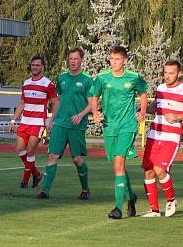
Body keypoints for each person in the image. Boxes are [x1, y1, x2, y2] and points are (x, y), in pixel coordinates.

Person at [88, 45, 148, 220]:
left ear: (124, 61)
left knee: (118, 165)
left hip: (127, 126)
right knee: (118, 166)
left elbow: (143, 93)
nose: (114, 62)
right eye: (112, 59)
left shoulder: (134, 77)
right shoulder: (102, 78)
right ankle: (131, 198)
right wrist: (95, 111)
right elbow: (94, 96)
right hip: (109, 126)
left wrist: (142, 111)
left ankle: (117, 208)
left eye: (118, 59)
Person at [36, 48, 93, 200]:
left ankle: (85, 189)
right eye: (70, 58)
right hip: (60, 123)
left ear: (81, 60)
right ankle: (45, 191)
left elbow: (91, 104)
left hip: (76, 126)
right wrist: (52, 120)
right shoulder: (62, 78)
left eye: (75, 58)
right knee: (52, 156)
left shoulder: (87, 80)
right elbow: (58, 100)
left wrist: (80, 115)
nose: (72, 61)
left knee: (77, 159)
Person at [139, 59, 182, 218]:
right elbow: (155, 107)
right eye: (165, 72)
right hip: (154, 135)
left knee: (159, 170)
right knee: (149, 172)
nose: (167, 76)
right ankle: (155, 211)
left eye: (171, 73)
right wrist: (143, 110)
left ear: (179, 73)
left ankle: (171, 200)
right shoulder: (161, 88)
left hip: (171, 136)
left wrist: (178, 116)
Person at [9, 56, 56, 189]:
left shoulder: (48, 84)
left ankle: (24, 181)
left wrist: (51, 120)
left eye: (37, 65)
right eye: (33, 65)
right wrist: (13, 120)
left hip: (38, 123)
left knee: (30, 151)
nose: (34, 67)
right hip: (25, 122)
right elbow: (22, 103)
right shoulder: (26, 83)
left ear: (42, 67)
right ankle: (36, 174)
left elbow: (55, 102)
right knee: (19, 149)